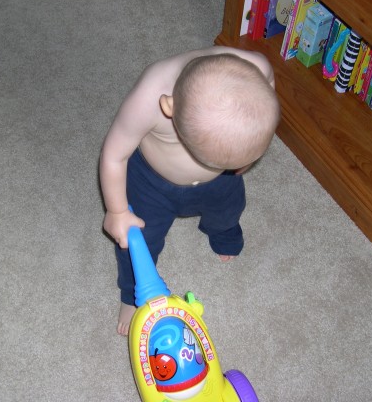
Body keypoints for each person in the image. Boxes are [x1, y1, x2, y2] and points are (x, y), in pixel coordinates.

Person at [99, 46, 280, 335]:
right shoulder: (150, 95)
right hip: (152, 183)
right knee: (137, 241)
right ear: (169, 107)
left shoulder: (257, 67)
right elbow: (114, 154)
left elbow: (266, 95)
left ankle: (223, 231)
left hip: (220, 182)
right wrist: (117, 211)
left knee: (230, 208)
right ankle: (132, 293)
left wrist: (244, 159)